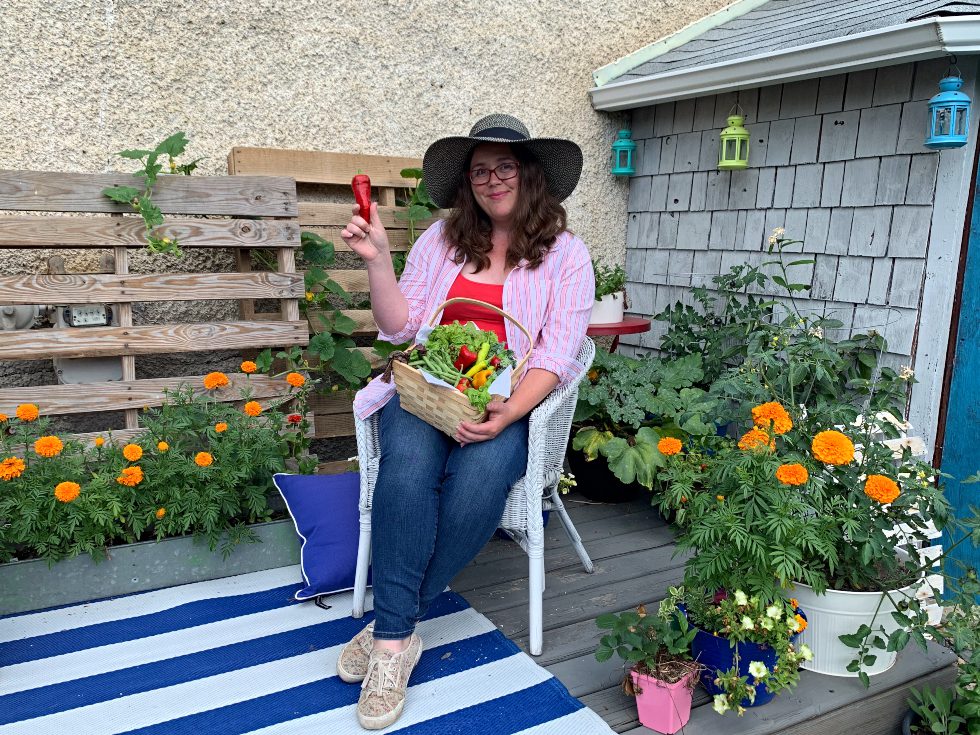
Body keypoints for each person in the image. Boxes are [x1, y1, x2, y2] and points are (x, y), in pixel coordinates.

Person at [336, 113, 594, 730]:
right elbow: (400, 330)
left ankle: (389, 625)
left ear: (530, 176)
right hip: (427, 392)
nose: (493, 179)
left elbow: (557, 352)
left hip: (506, 403)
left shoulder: (567, 255)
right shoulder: (441, 241)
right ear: (467, 183)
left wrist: (511, 411)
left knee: (478, 489)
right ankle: (396, 645)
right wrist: (376, 261)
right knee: (406, 471)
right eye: (481, 170)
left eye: (506, 167)